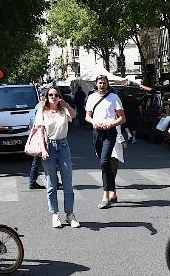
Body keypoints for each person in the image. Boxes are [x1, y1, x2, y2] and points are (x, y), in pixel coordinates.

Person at [34, 87, 78, 228]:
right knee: (52, 183)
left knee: (67, 183)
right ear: (47, 96)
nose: (53, 97)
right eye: (51, 95)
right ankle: (55, 214)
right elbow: (40, 132)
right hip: (49, 147)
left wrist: (64, 103)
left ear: (60, 96)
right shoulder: (42, 111)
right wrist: (43, 149)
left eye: (56, 95)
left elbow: (74, 115)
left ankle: (70, 214)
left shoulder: (63, 110)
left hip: (63, 145)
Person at [85, 75, 125, 209]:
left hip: (109, 132)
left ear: (108, 84)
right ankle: (113, 192)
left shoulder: (114, 97)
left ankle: (105, 196)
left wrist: (111, 124)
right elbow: (87, 117)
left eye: (104, 83)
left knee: (104, 162)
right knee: (104, 163)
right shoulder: (91, 98)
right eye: (100, 83)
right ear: (96, 84)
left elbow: (122, 118)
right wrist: (94, 122)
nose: (102, 85)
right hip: (97, 132)